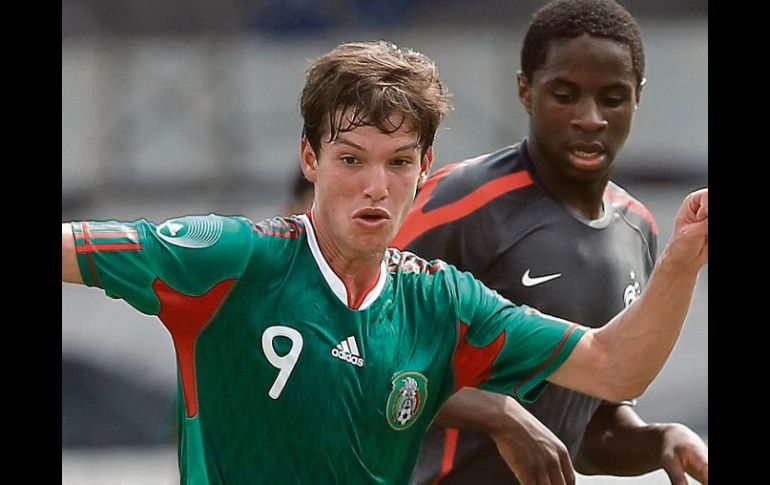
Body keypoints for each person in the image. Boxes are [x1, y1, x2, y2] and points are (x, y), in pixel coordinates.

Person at [61, 40, 708, 484]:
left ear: (425, 168)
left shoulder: (442, 301)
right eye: (351, 159)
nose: (376, 185)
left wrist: (681, 256)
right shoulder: (233, 257)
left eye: (399, 161)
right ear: (311, 159)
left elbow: (613, 364)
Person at [392, 1, 708, 484]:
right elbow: (360, 358)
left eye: (613, 98)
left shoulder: (638, 229)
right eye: (565, 95)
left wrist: (659, 439)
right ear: (525, 91)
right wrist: (497, 413)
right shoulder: (458, 203)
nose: (590, 118)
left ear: (639, 96)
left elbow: (593, 429)